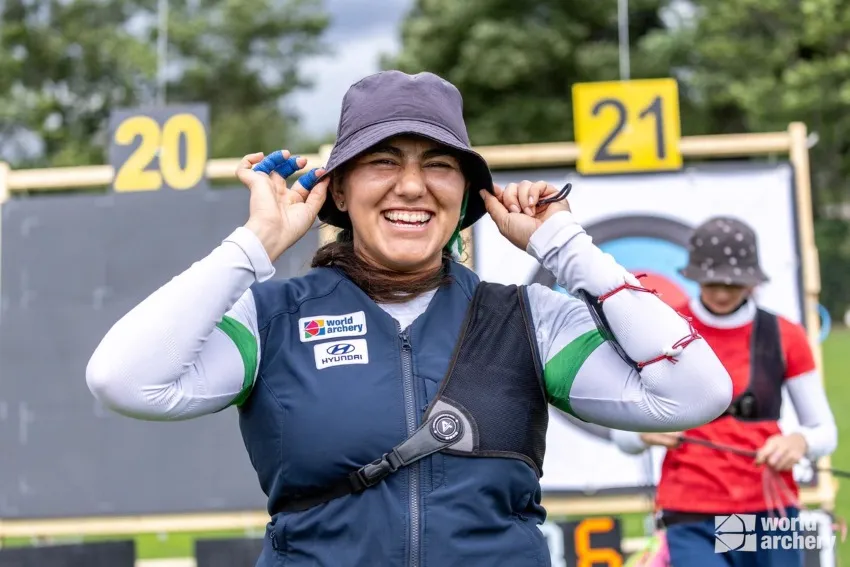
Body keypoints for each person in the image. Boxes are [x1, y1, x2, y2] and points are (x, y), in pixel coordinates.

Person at [85, 70, 734, 567]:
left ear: (464, 193)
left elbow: (697, 390)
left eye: (439, 164)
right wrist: (256, 243)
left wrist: (566, 248)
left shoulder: (529, 318)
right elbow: (123, 378)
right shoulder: (272, 316)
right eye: (383, 160)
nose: (413, 185)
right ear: (338, 189)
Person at [611, 216, 838, 567]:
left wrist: (799, 443)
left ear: (751, 282)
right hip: (693, 513)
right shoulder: (666, 331)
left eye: (733, 284)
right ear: (695, 275)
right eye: (711, 281)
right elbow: (622, 436)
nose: (720, 293)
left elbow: (825, 432)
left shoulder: (785, 335)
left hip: (767, 513)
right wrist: (647, 432)